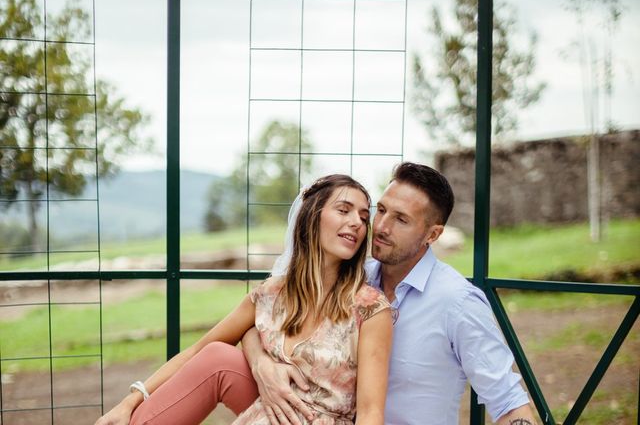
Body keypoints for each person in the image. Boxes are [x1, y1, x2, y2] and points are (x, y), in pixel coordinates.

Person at [243, 162, 538, 425]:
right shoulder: (353, 279)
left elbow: (510, 404)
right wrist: (261, 363)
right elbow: (258, 320)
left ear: (432, 235)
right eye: (381, 210)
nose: (380, 227)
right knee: (220, 362)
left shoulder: (457, 302)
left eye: (401, 219)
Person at [95, 174, 393, 425]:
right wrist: (129, 401)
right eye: (344, 210)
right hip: (270, 414)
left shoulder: (370, 308)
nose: (357, 222)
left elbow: (369, 413)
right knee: (215, 356)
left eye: (364, 217)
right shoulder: (270, 295)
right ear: (311, 217)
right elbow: (198, 351)